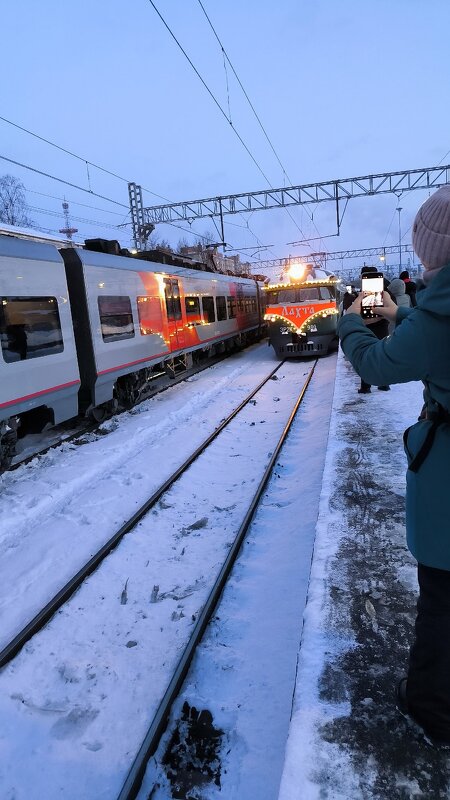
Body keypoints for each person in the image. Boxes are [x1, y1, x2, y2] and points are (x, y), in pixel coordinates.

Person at [338, 184, 450, 748]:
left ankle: (432, 709)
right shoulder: (434, 312)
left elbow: (378, 359)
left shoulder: (437, 322)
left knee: (443, 594)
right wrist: (404, 309)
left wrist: (351, 322)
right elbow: (427, 321)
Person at [356, 266, 390, 393]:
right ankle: (384, 383)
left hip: (368, 329)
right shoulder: (386, 290)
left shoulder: (367, 292)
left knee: (365, 357)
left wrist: (366, 320)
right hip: (382, 329)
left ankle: (366, 386)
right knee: (382, 356)